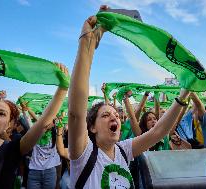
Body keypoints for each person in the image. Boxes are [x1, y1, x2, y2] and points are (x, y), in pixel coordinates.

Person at [68, 7, 190, 188]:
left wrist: (185, 91)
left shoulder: (122, 151)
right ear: (92, 127)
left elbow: (158, 132)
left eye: (116, 114)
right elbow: (77, 112)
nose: (115, 116)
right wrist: (87, 44)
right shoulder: (83, 154)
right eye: (105, 115)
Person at [0, 63, 68, 189]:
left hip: (50, 170)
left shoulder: (12, 149)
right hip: (34, 171)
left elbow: (42, 122)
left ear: (9, 124)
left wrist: (63, 88)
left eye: (1, 113)